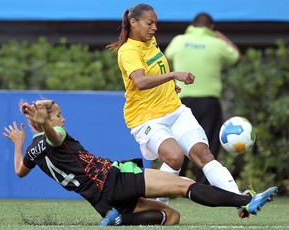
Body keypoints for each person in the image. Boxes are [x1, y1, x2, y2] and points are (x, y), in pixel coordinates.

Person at [3, 99, 277, 226]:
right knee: (185, 186)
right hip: (114, 179)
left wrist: (19, 142)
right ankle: (245, 201)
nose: (63, 120)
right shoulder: (55, 134)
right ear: (48, 121)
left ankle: (122, 220)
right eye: (59, 115)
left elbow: (19, 172)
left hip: (102, 203)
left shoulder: (32, 149)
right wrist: (45, 126)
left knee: (172, 217)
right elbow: (55, 136)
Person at [107, 3, 250, 218]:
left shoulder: (150, 41)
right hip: (146, 118)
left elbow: (156, 68)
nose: (154, 27)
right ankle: (157, 204)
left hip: (175, 109)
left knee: (204, 154)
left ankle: (241, 201)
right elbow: (141, 81)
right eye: (150, 23)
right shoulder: (128, 51)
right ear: (133, 22)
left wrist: (168, 85)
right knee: (174, 157)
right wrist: (174, 75)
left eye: (156, 23)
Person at [165, 13, 241, 183]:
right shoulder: (217, 43)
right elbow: (237, 57)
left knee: (179, 142)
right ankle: (204, 186)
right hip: (209, 102)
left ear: (192, 25)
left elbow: (167, 56)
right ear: (211, 27)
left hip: (181, 102)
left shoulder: (179, 40)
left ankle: (174, 184)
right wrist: (223, 38)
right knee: (207, 144)